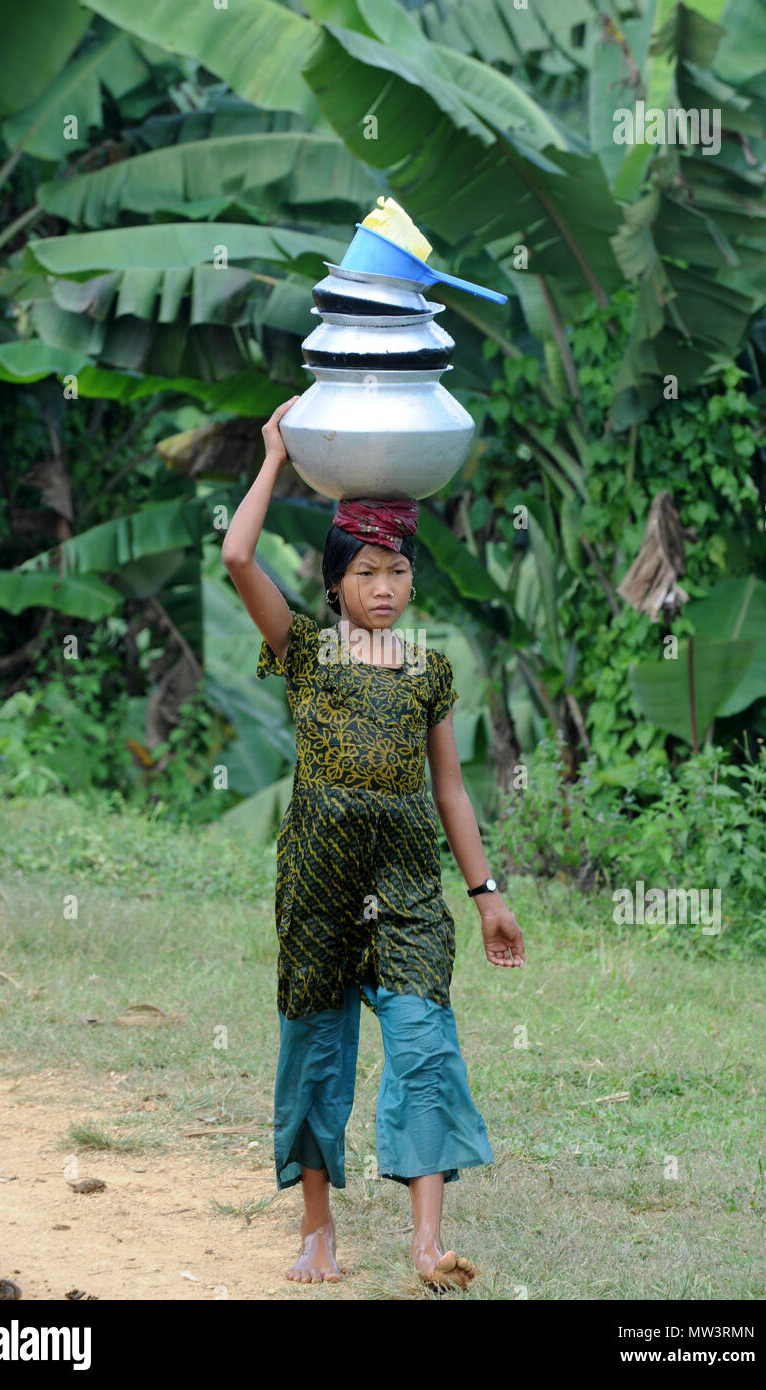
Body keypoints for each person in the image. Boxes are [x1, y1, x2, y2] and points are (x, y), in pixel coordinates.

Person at [222, 397, 526, 1290]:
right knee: (316, 1051)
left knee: (424, 1044)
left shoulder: (428, 672)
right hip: (317, 883)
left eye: (398, 570)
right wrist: (275, 454)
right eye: (368, 571)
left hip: (405, 887)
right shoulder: (305, 651)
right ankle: (316, 1230)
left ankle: (427, 1242)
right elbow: (237, 556)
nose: (386, 587)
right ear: (335, 581)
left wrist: (486, 894)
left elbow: (450, 790)